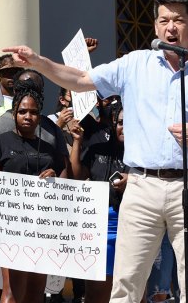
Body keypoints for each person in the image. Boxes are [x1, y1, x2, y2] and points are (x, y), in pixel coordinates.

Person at [2, 0, 188, 303]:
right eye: (163, 20)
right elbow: (81, 80)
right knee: (126, 285)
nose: (170, 28)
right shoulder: (135, 64)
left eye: (178, 20)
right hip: (141, 187)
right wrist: (39, 63)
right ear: (156, 25)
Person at [0, 80, 69, 303]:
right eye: (22, 111)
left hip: (42, 228)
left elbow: (66, 186)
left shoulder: (49, 150)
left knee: (35, 293)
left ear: (39, 116)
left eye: (33, 112)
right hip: (12, 228)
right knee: (12, 291)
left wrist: (55, 179)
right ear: (14, 114)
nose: (28, 116)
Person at [70, 100, 130, 303]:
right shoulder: (97, 147)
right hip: (98, 227)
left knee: (131, 289)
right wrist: (78, 141)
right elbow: (77, 176)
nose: (124, 127)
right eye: (121, 122)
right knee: (96, 292)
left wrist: (131, 181)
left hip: (131, 226)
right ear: (113, 123)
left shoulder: (143, 152)